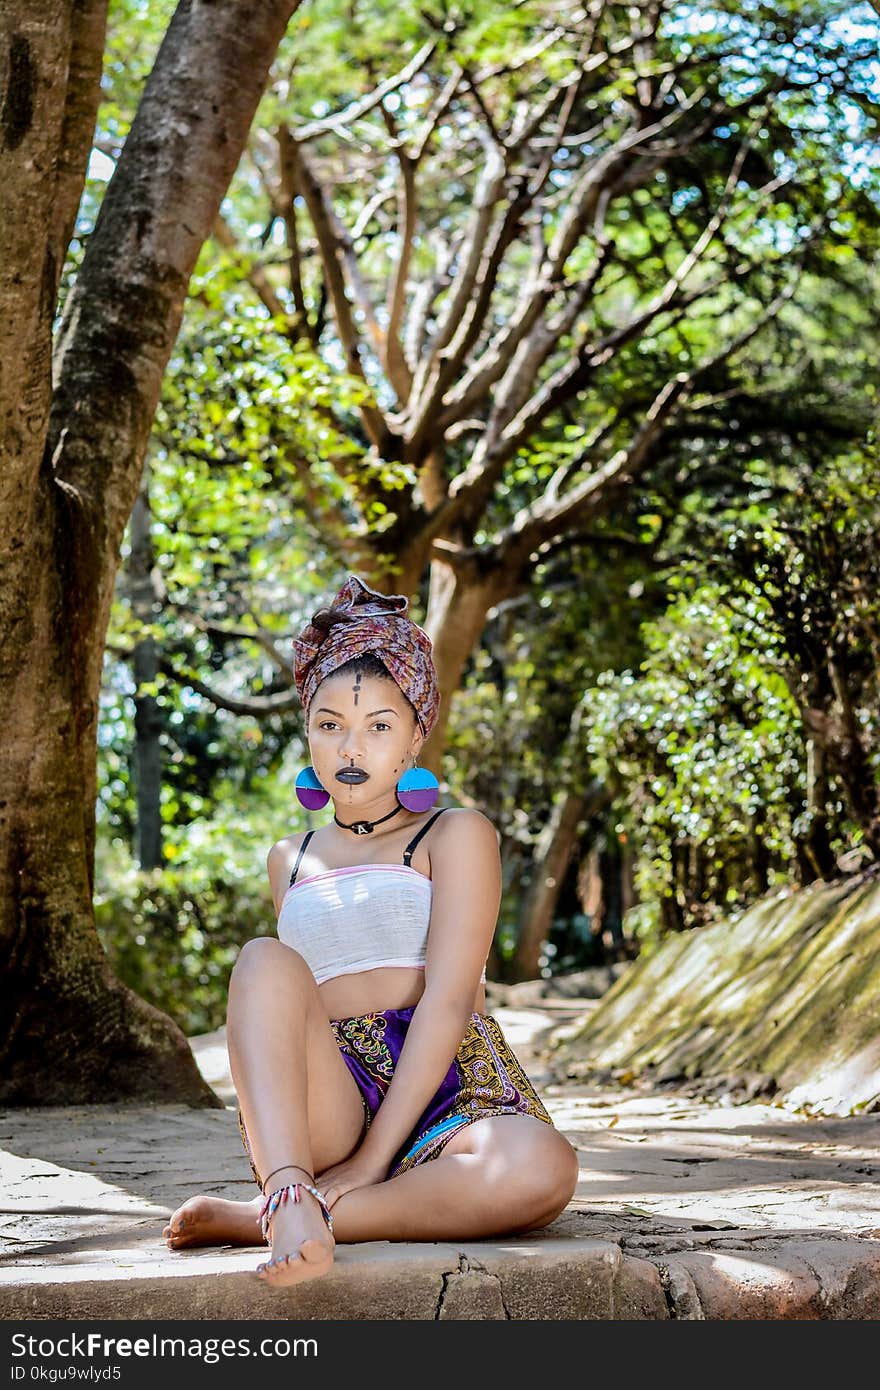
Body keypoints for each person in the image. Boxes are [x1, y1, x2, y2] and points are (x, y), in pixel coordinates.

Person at [163, 574, 579, 1287]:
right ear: (308, 732)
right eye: (330, 724)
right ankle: (291, 1188)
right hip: (334, 1092)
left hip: (451, 1082)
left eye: (378, 726)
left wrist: (371, 1160)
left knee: (544, 1169)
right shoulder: (287, 859)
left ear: (416, 734)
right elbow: (286, 1007)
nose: (351, 746)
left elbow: (449, 1001)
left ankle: (287, 1214)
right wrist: (343, 1148)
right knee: (263, 960)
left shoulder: (455, 834)